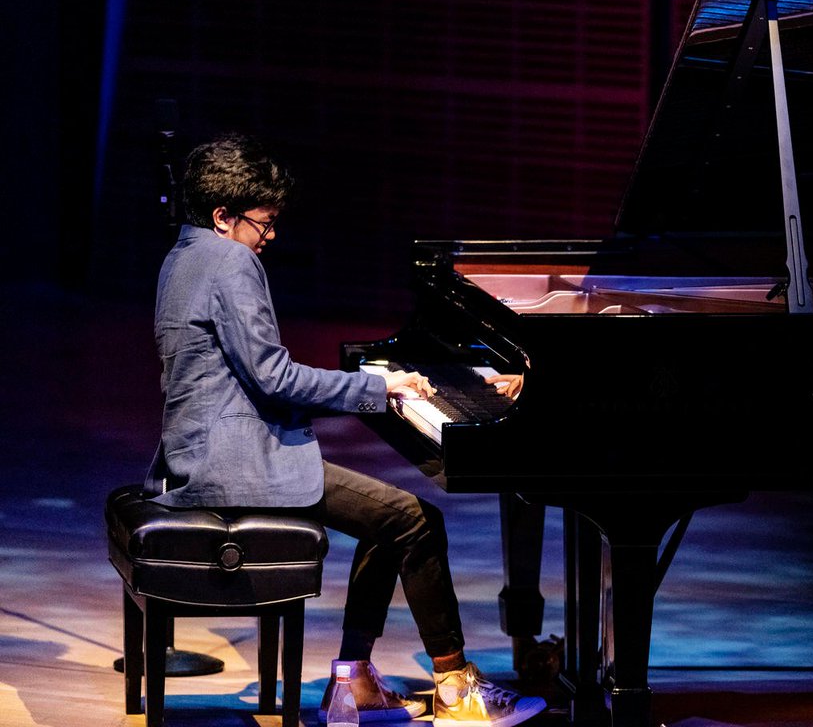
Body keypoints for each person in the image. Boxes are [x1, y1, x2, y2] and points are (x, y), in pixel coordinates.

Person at [143, 132, 547, 727]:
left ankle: (354, 680)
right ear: (223, 216)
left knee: (390, 519)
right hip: (234, 464)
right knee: (413, 519)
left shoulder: (182, 255)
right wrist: (380, 388)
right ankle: (456, 687)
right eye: (263, 223)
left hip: (199, 453)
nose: (270, 236)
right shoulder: (230, 261)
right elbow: (274, 377)